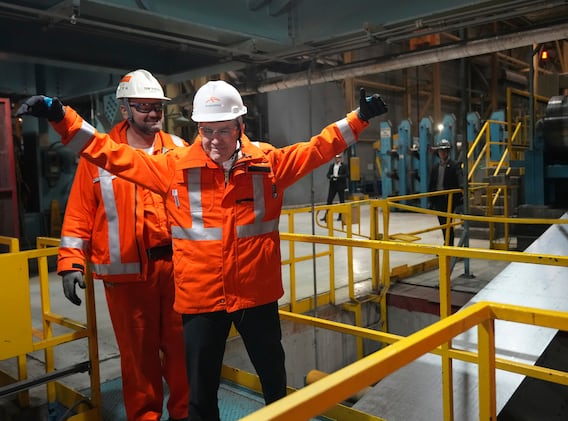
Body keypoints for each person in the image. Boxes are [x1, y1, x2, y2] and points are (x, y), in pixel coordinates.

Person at [17, 82, 387, 421]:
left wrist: (361, 118)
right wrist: (59, 115)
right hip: (200, 301)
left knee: (275, 383)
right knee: (200, 393)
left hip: (256, 298)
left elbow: (320, 147)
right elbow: (107, 152)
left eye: (223, 130)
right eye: (206, 131)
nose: (213, 141)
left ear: (240, 125)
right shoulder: (172, 168)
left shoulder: (268, 164)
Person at [56, 69, 189, 421]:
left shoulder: (179, 150)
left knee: (184, 354)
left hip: (180, 272)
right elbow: (80, 211)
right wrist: (70, 260)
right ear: (125, 108)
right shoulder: (99, 154)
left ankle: (185, 415)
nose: (153, 113)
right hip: (129, 280)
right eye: (144, 106)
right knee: (138, 361)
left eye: (158, 106)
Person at [428, 139, 463, 246]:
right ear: (438, 153)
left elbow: (460, 181)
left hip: (450, 199)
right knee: (443, 224)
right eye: (440, 151)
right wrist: (431, 199)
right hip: (438, 199)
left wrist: (460, 199)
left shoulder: (454, 166)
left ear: (448, 152)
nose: (442, 153)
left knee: (448, 224)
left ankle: (448, 245)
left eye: (444, 151)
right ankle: (447, 243)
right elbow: (431, 183)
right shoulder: (435, 167)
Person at [321, 153, 348, 221]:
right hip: (333, 185)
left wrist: (339, 177)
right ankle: (326, 216)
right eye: (336, 158)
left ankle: (341, 216)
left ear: (340, 159)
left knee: (341, 201)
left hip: (340, 185)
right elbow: (328, 175)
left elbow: (346, 175)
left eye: (338, 158)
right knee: (329, 200)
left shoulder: (344, 166)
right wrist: (331, 176)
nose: (337, 159)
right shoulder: (332, 166)